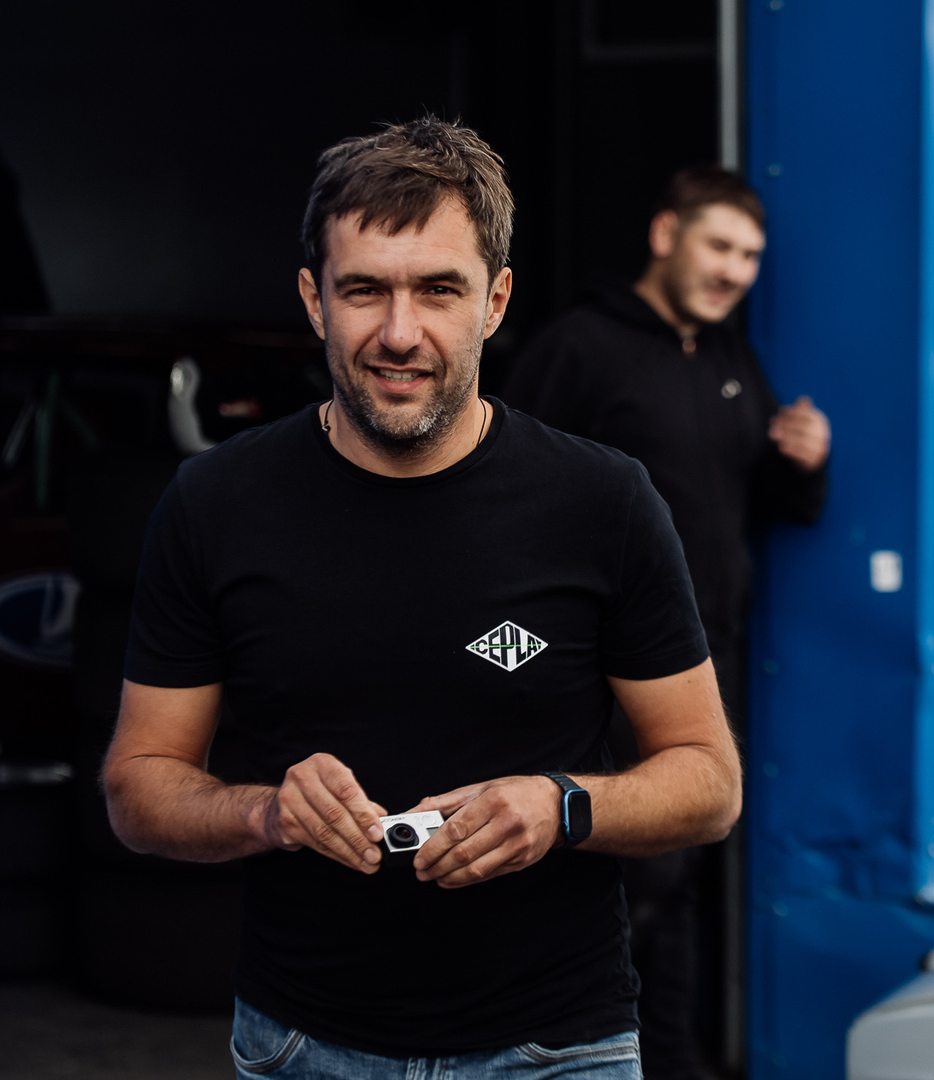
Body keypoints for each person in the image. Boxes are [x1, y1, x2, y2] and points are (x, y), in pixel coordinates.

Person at [101, 118, 742, 1080]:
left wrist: (561, 805)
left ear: (495, 301)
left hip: (555, 1046)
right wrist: (269, 814)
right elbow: (137, 788)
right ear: (315, 300)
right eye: (365, 289)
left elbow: (709, 783)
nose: (400, 334)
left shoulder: (602, 502)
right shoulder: (216, 503)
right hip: (304, 1044)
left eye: (439, 289)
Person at [504, 167, 830, 1079]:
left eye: (750, 256)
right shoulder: (580, 347)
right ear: (665, 236)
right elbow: (502, 489)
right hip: (599, 675)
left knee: (679, 874)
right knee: (618, 885)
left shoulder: (730, 360)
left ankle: (673, 1064)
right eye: (719, 245)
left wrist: (803, 462)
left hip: (705, 662)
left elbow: (764, 502)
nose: (734, 271)